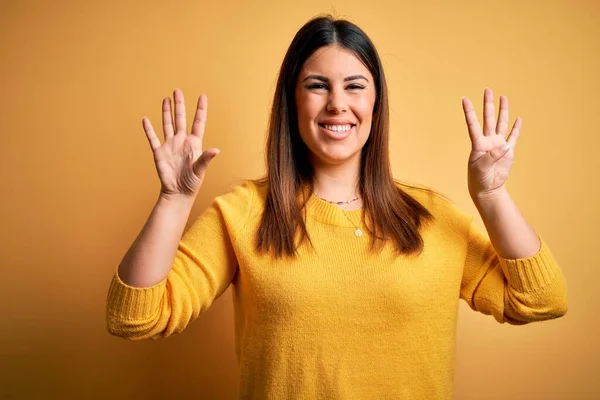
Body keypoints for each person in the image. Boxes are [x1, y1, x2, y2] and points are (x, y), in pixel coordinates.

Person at [106, 15, 568, 399]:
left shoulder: (430, 218)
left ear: (375, 101)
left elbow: (541, 301)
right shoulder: (243, 213)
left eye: (354, 86)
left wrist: (491, 196)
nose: (337, 104)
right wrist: (173, 200)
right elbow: (134, 317)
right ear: (293, 100)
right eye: (317, 85)